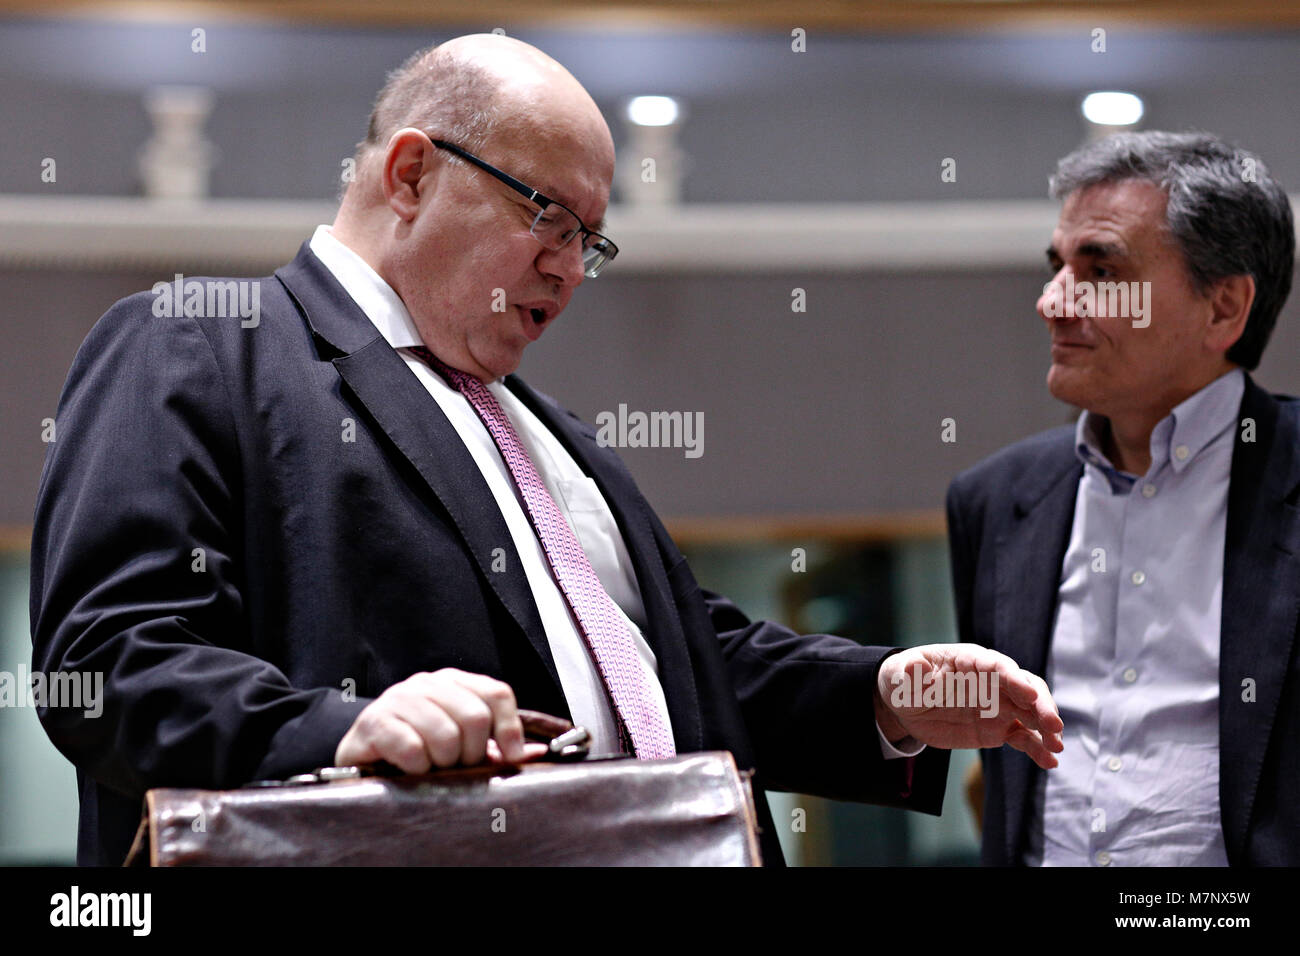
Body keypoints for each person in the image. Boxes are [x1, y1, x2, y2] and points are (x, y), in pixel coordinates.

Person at [31, 34, 1061, 867]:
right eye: (549, 218)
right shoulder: (197, 340)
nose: (569, 272)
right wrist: (340, 729)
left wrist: (881, 695)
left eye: (591, 241)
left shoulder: (542, 429)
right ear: (411, 173)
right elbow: (108, 658)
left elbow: (688, 665)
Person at [947, 130, 1297, 866]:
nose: (1051, 302)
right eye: (1057, 267)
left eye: (1101, 271)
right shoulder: (995, 500)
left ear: (1224, 307)